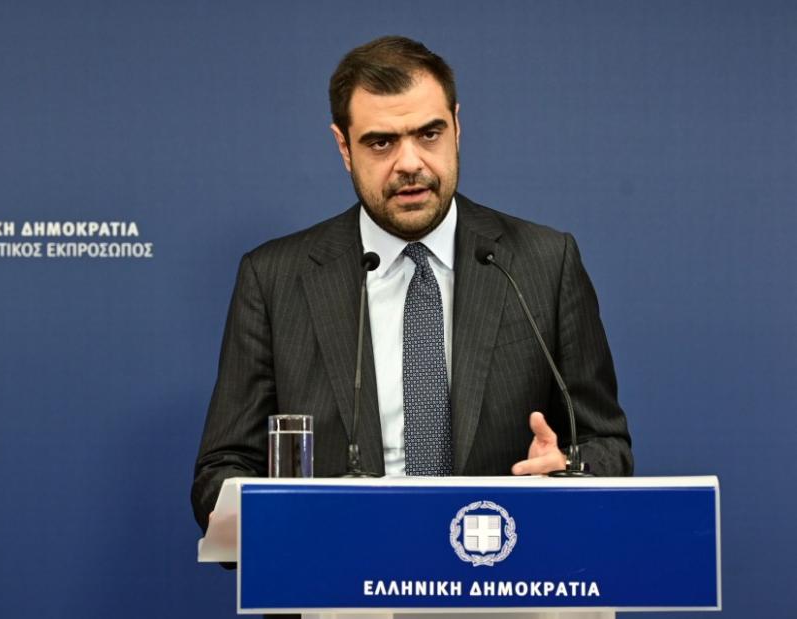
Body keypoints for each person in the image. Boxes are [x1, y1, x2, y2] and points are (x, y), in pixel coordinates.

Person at [191, 35, 633, 532]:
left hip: (499, 562)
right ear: (344, 147)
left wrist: (569, 471)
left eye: (429, 134)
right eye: (381, 142)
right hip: (342, 567)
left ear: (457, 128)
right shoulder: (274, 278)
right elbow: (221, 471)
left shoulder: (544, 263)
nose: (410, 163)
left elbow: (607, 445)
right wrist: (284, 517)